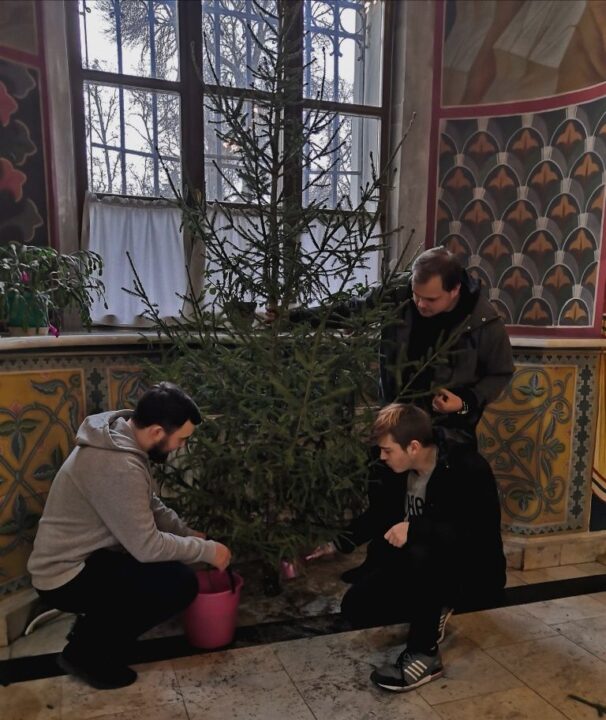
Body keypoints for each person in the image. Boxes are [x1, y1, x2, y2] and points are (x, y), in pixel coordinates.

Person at [27, 382, 232, 690]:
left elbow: (150, 504)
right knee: (178, 584)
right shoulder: (117, 464)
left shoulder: (121, 438)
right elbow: (147, 547)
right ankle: (83, 655)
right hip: (63, 575)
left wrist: (188, 535)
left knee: (162, 574)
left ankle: (92, 630)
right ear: (157, 431)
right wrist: (207, 551)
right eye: (182, 439)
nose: (181, 447)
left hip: (86, 558)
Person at [313, 402, 506, 692]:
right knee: (357, 608)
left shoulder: (466, 468)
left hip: (468, 571)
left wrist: (414, 529)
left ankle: (424, 654)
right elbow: (380, 514)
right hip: (418, 565)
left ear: (413, 447)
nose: (382, 456)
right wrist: (337, 543)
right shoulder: (396, 469)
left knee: (422, 550)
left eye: (387, 450)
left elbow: (477, 535)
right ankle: (433, 606)